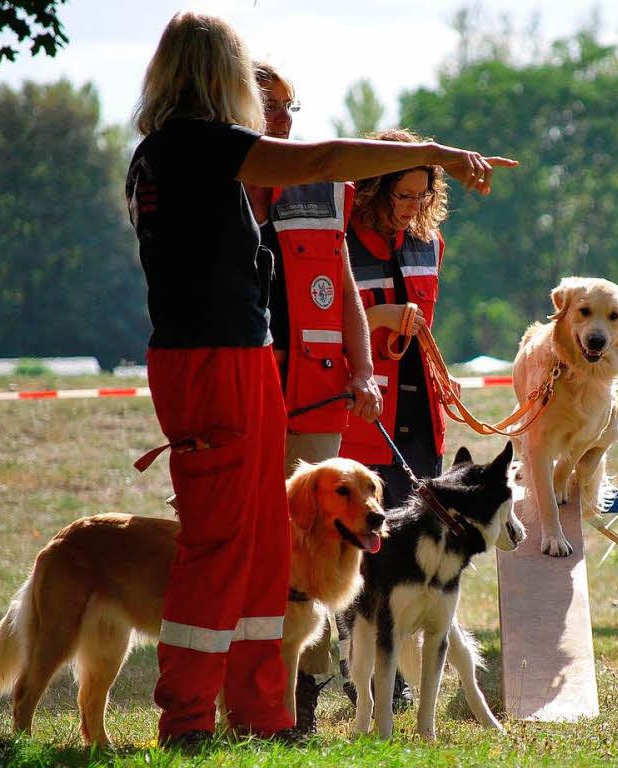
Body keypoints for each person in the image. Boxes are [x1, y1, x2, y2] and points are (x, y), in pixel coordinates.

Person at [126, 12, 516, 748]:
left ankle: (260, 709)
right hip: (217, 359)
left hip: (218, 356)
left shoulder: (156, 152)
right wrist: (431, 150)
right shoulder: (199, 145)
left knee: (260, 542)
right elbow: (317, 159)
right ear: (218, 76)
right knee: (219, 543)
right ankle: (189, 720)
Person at [247, 61, 381, 734]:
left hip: (318, 401)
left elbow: (345, 285)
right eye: (269, 107)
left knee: (322, 548)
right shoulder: (207, 186)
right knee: (246, 545)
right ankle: (243, 690)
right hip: (242, 401)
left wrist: (362, 372)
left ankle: (301, 702)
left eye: (289, 108)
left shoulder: (325, 190)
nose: (284, 122)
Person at [336, 128, 457, 706]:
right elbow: (334, 322)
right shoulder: (341, 241)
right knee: (362, 549)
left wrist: (442, 373)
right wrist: (380, 316)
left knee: (411, 544)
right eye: (399, 196)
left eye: (419, 196)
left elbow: (427, 323)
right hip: (363, 415)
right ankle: (356, 674)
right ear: (371, 189)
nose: (409, 209)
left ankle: (399, 677)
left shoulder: (429, 243)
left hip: (419, 413)